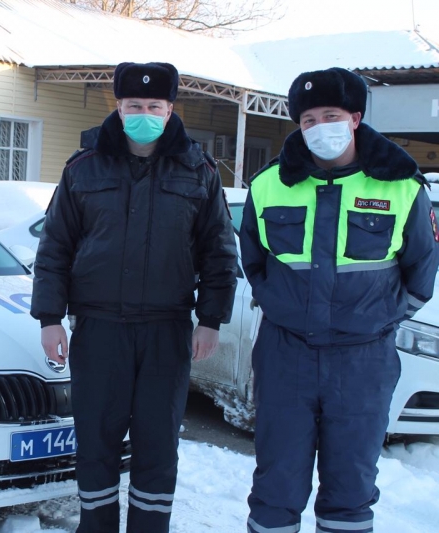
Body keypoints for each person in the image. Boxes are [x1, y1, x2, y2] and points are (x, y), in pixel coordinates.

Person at [30, 61, 237, 533]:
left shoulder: (198, 169)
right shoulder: (84, 168)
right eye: (134, 105)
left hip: (166, 331)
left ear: (170, 110)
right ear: (119, 108)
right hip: (100, 329)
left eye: (154, 106)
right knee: (97, 441)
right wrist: (49, 317)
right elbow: (55, 246)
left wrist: (211, 318)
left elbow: (219, 249)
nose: (144, 112)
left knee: (157, 442)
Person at [240, 67, 439, 533]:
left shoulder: (401, 186)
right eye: (308, 119)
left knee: (350, 490)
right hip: (285, 356)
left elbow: (421, 273)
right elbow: (254, 260)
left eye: (330, 115)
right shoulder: (268, 185)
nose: (319, 127)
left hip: (362, 361)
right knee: (275, 486)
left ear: (354, 117)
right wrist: (279, 303)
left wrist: (378, 320)